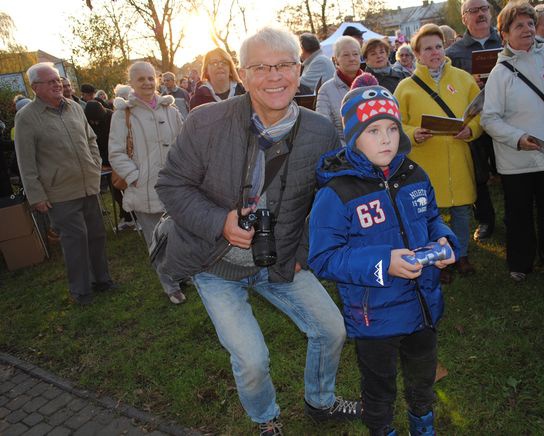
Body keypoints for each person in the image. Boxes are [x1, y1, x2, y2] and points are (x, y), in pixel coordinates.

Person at [154, 27, 360, 434]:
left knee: (332, 329)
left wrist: (302, 251)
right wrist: (221, 222)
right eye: (260, 67)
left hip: (280, 259)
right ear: (242, 75)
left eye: (284, 65)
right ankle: (266, 420)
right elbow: (171, 186)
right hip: (214, 263)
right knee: (251, 359)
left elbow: (328, 202)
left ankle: (320, 401)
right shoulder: (206, 122)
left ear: (299, 69)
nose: (274, 76)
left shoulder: (320, 131)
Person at [308, 80, 458, 436]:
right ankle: (382, 428)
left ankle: (423, 424)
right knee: (380, 388)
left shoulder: (414, 174)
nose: (387, 139)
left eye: (392, 128)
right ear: (353, 137)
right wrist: (382, 262)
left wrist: (444, 239)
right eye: (373, 130)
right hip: (373, 317)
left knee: (422, 379)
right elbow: (324, 257)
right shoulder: (336, 193)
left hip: (423, 305)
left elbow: (433, 216)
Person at [481, 0, 544, 281]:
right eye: (518, 25)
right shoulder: (500, 74)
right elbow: (489, 119)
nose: (526, 29)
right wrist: (518, 138)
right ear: (504, 34)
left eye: (529, 23)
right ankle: (520, 264)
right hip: (516, 160)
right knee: (519, 214)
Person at [14, 62, 114, 305]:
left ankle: (102, 280)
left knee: (97, 235)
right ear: (35, 87)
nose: (58, 84)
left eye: (58, 79)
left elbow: (90, 139)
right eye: (50, 81)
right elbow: (25, 161)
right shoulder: (26, 117)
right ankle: (81, 291)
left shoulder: (74, 108)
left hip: (87, 185)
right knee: (75, 241)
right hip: (59, 192)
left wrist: (93, 165)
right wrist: (36, 195)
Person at [395, 24, 483, 284]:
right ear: (417, 54)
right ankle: (438, 259)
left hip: (458, 157)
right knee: (431, 214)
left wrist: (472, 131)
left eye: (438, 46)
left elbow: (480, 114)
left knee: (462, 211)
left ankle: (461, 253)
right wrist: (413, 134)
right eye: (427, 48)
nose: (434, 52)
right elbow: (397, 124)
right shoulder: (405, 87)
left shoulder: (463, 79)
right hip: (426, 161)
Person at [108, 61, 185, 305]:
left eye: (151, 78)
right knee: (156, 238)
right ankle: (170, 285)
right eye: (140, 79)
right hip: (145, 189)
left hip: (174, 185)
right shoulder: (123, 114)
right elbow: (116, 152)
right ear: (131, 83)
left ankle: (183, 273)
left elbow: (184, 142)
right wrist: (135, 177)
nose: (147, 83)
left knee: (181, 233)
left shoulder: (170, 109)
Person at [446, 0, 502, 243]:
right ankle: (486, 219)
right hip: (474, 119)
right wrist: (466, 84)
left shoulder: (505, 42)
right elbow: (447, 89)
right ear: (463, 17)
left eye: (484, 9)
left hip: (505, 117)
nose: (480, 14)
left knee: (508, 170)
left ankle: (514, 215)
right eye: (473, 11)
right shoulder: (454, 53)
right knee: (478, 172)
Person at [316, 35, 362, 143]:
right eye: (346, 55)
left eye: (355, 54)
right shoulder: (326, 90)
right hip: (343, 151)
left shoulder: (371, 85)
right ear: (335, 59)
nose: (352, 58)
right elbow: (324, 129)